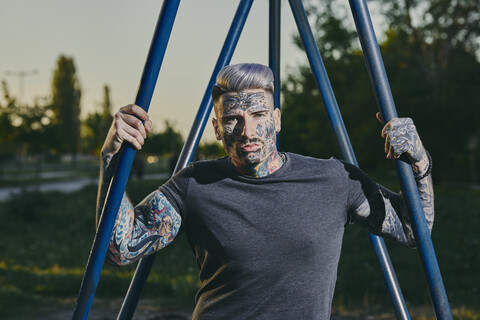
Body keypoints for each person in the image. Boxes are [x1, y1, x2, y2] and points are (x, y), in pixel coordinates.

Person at [97, 63, 434, 319]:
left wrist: (419, 161)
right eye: (233, 118)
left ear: (277, 119)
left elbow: (412, 229)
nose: (248, 130)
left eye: (258, 114)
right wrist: (111, 157)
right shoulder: (195, 184)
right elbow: (120, 248)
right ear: (216, 127)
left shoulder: (333, 179)